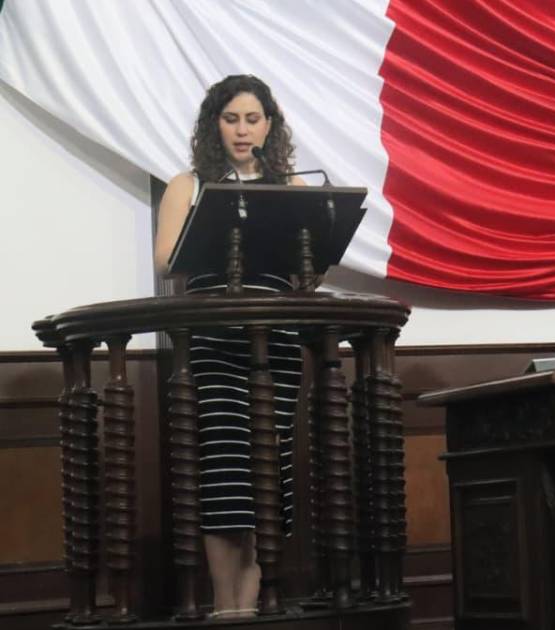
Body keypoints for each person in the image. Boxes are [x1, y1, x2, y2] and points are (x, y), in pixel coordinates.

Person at [153, 75, 305, 619]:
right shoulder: (189, 185)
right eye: (231, 119)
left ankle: (251, 606)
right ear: (214, 125)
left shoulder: (291, 187)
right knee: (226, 475)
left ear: (269, 126)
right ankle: (226, 610)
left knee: (268, 474)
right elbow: (166, 261)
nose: (242, 130)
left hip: (275, 345)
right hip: (215, 343)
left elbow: (314, 261)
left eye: (252, 119)